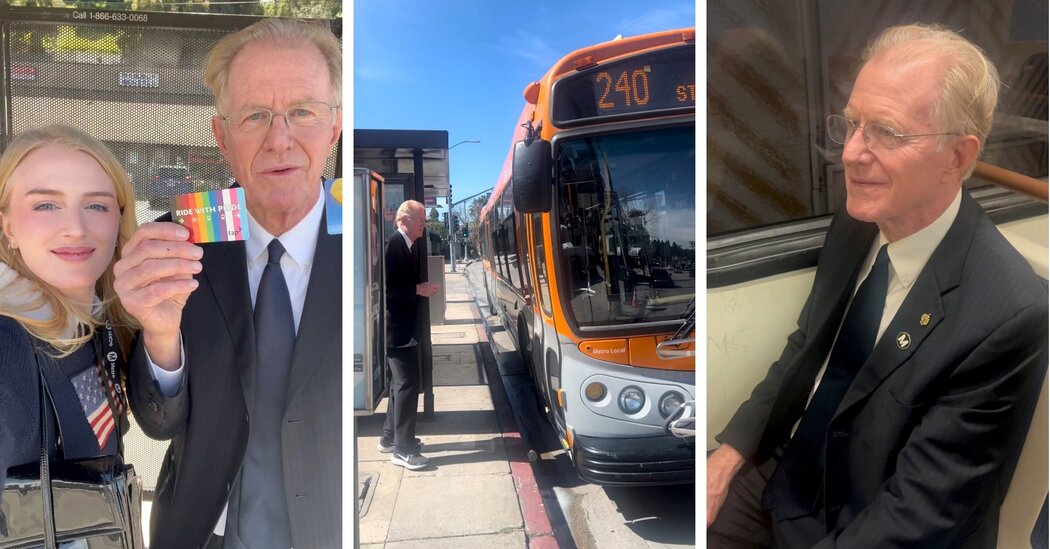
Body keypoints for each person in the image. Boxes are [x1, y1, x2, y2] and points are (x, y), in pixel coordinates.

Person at [707, 23, 1048, 548]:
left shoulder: (1009, 313)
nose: (850, 153)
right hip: (790, 471)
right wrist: (730, 454)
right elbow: (805, 349)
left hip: (868, 516)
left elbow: (921, 512)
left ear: (957, 157)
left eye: (887, 131)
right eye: (852, 124)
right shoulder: (857, 222)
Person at [112, 18, 342, 549]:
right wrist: (160, 336)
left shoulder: (359, 242)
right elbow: (157, 423)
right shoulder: (177, 244)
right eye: (255, 115)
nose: (279, 139)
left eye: (302, 112)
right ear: (222, 136)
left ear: (334, 127)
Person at [0, 125, 138, 489]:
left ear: (119, 220)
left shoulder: (99, 323)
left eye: (96, 205)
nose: (75, 228)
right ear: (8, 227)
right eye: (46, 205)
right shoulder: (7, 343)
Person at [379, 199, 439, 470]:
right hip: (397, 331)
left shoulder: (406, 245)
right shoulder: (395, 245)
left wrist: (418, 288)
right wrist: (418, 290)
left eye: (424, 220)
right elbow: (387, 291)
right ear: (404, 221)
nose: (424, 225)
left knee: (399, 385)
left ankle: (390, 438)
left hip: (403, 329)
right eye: (420, 220)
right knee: (407, 385)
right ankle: (403, 449)